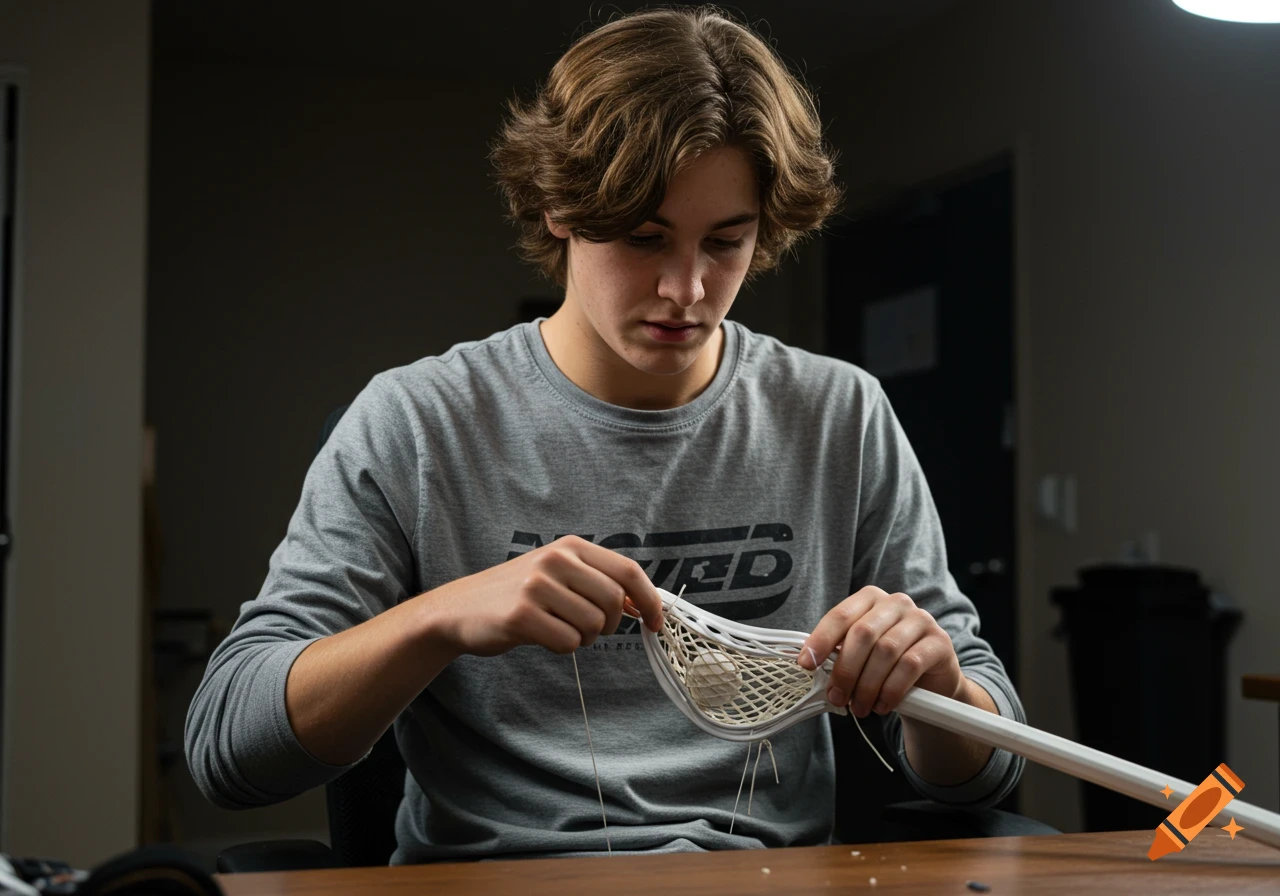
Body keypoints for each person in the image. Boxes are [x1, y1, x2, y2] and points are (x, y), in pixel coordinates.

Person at [185, 4, 1026, 864]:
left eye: (725, 243)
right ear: (558, 207)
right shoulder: (418, 423)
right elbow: (227, 751)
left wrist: (940, 685)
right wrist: (436, 619)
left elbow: (986, 775)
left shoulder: (838, 416)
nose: (688, 289)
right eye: (644, 238)